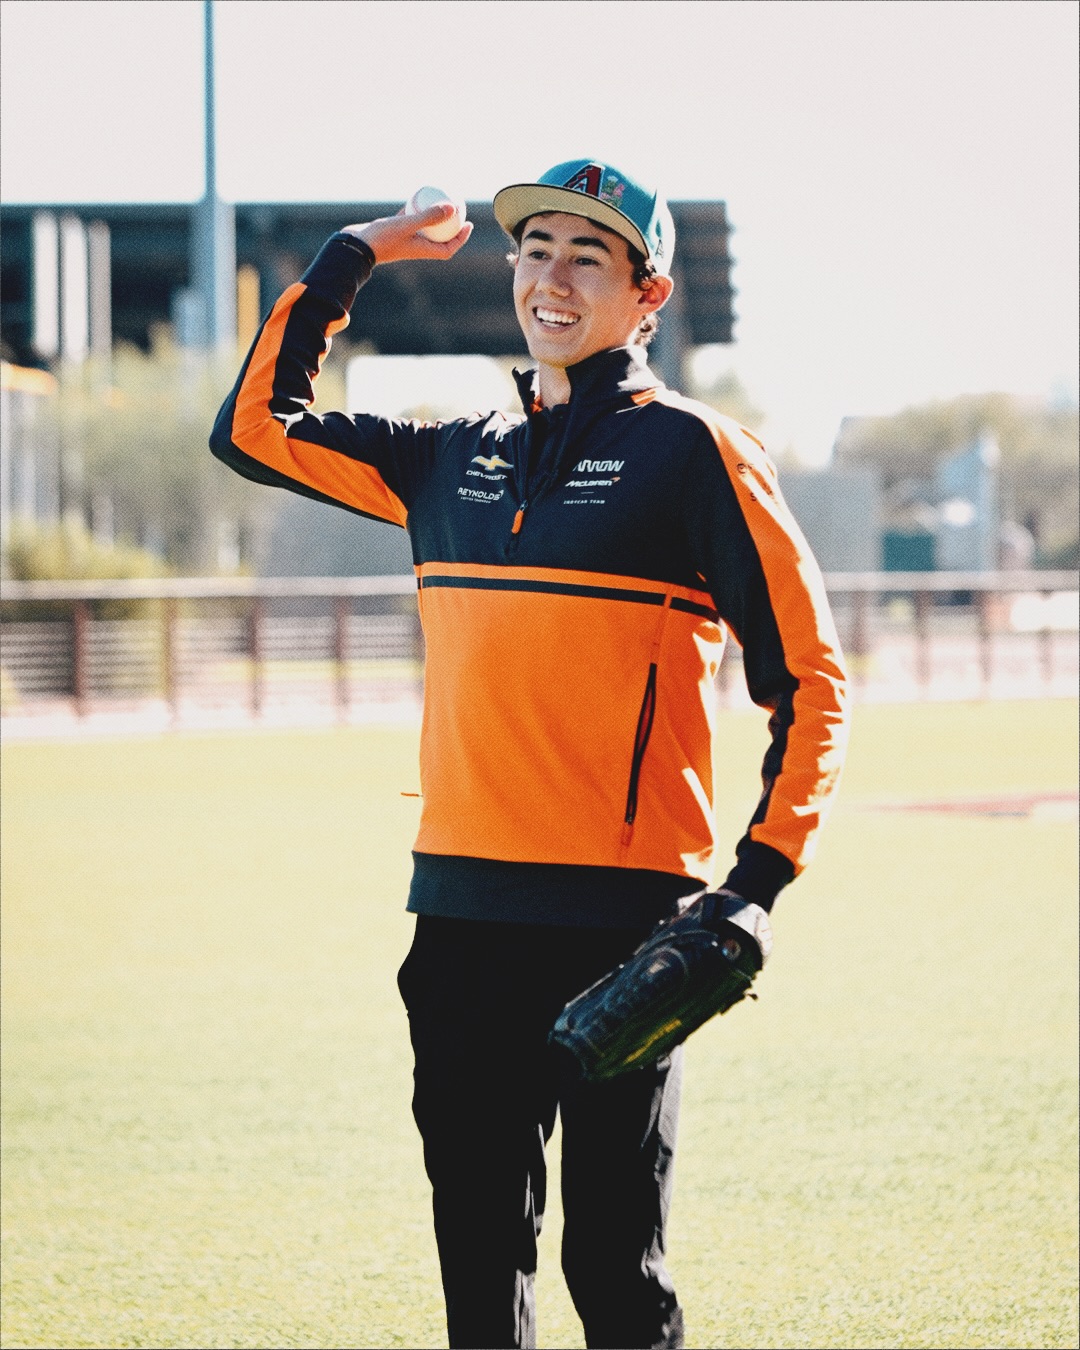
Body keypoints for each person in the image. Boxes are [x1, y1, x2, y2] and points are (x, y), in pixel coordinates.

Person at [211, 158, 849, 1350]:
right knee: (479, 1268)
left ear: (647, 295)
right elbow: (255, 429)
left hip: (627, 932)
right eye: (535, 250)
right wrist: (354, 253)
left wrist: (755, 887)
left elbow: (812, 682)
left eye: (587, 258)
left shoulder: (700, 454)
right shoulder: (446, 456)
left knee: (613, 1269)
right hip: (459, 921)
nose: (551, 278)